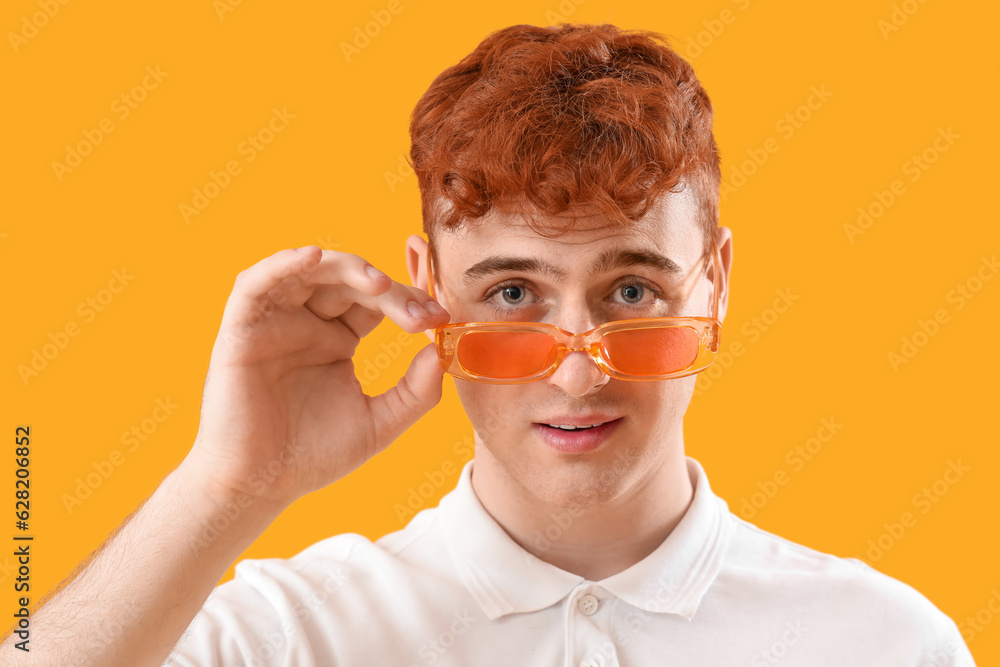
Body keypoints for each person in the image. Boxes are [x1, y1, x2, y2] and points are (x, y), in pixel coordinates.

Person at [0, 22, 975, 667]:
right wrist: (227, 489)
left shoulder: (886, 642)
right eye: (513, 292)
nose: (578, 363)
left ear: (714, 283)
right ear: (429, 290)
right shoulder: (286, 633)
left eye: (631, 288)